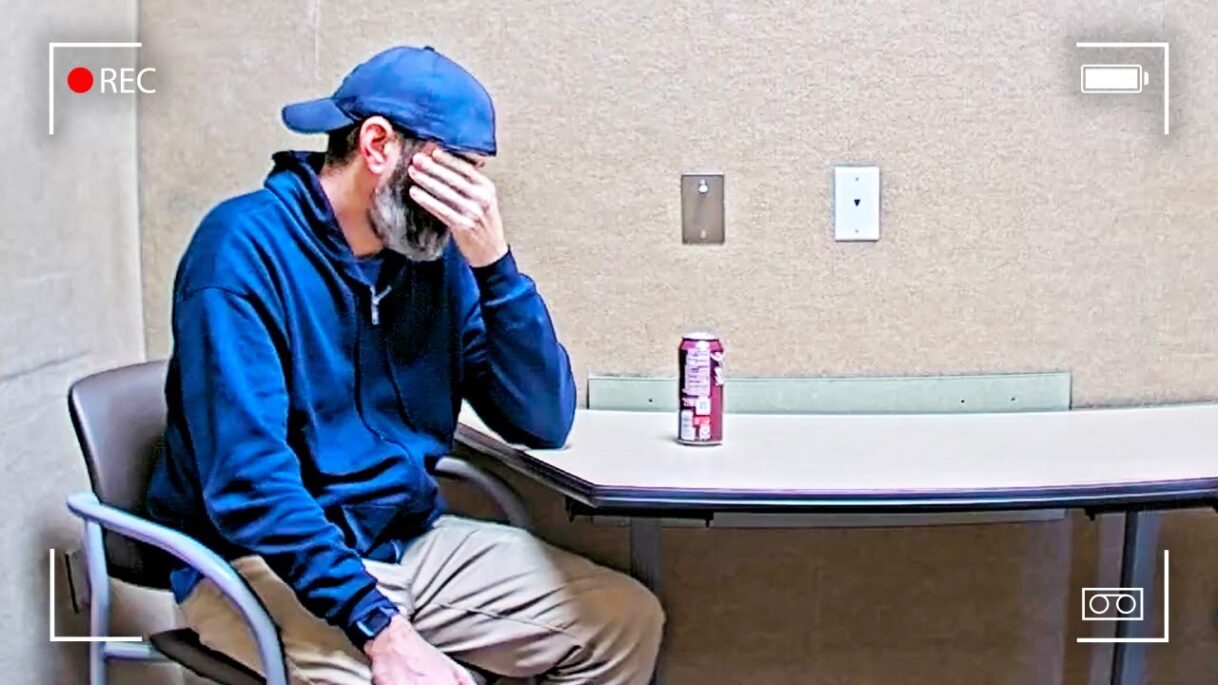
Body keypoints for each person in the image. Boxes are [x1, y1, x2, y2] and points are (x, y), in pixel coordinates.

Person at [145, 45, 663, 685]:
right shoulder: (240, 252)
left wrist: (495, 267)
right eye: (458, 171)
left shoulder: (433, 257)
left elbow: (541, 419)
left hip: (405, 540)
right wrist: (379, 627)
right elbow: (251, 485)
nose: (472, 198)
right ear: (377, 145)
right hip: (262, 557)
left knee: (622, 621)